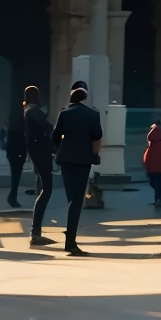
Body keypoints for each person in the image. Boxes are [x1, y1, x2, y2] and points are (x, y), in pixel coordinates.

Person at [50, 84, 103, 253]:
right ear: (84, 99)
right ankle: (70, 242)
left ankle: (70, 237)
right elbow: (97, 138)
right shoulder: (93, 114)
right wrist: (95, 155)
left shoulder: (64, 113)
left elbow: (55, 136)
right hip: (83, 160)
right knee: (77, 200)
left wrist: (61, 150)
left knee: (71, 198)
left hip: (65, 159)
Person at [22, 87, 57, 243]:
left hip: (37, 152)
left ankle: (36, 231)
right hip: (41, 153)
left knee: (41, 190)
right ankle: (35, 233)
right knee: (46, 190)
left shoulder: (28, 110)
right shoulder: (33, 111)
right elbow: (47, 128)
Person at [4, 98, 30, 206]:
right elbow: (22, 137)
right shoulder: (21, 120)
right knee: (16, 175)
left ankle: (13, 195)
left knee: (15, 174)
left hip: (12, 151)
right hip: (18, 151)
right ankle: (12, 196)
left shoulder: (12, 121)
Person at [141, 119, 161, 211]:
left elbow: (148, 157)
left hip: (153, 166)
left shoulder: (153, 144)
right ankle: (159, 199)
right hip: (160, 166)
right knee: (159, 182)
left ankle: (158, 199)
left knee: (154, 182)